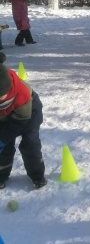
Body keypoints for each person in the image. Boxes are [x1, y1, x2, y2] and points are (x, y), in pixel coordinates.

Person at [0, 52, 46, 190]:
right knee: (4, 149)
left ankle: (37, 176)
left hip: (29, 114)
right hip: (4, 117)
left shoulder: (22, 93)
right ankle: (1, 176)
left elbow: (19, 121)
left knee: (30, 143)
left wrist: (2, 138)